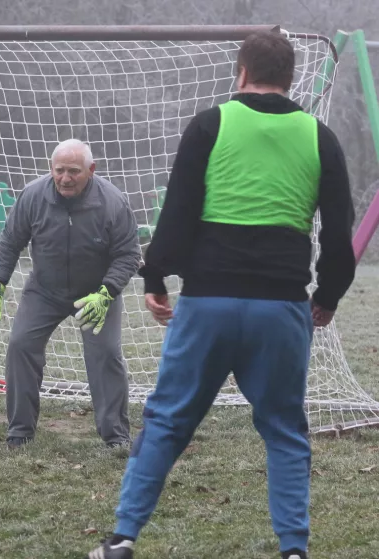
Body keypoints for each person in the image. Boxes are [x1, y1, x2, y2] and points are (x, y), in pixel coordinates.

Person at [87, 31, 356, 559]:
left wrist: (156, 277)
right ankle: (294, 550)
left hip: (208, 305)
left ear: (240, 72)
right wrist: (327, 295)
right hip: (280, 310)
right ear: (290, 76)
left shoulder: (210, 124)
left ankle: (122, 540)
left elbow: (179, 211)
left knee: (166, 422)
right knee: (284, 431)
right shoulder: (319, 136)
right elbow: (340, 233)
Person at [0, 139, 141, 450]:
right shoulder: (32, 196)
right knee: (20, 345)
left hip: (97, 294)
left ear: (91, 170)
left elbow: (129, 254)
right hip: (44, 290)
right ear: (50, 169)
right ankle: (19, 433)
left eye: (73, 171)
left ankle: (116, 436)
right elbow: (10, 241)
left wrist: (106, 292)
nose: (65, 178)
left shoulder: (113, 202)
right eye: (59, 171)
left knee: (106, 354)